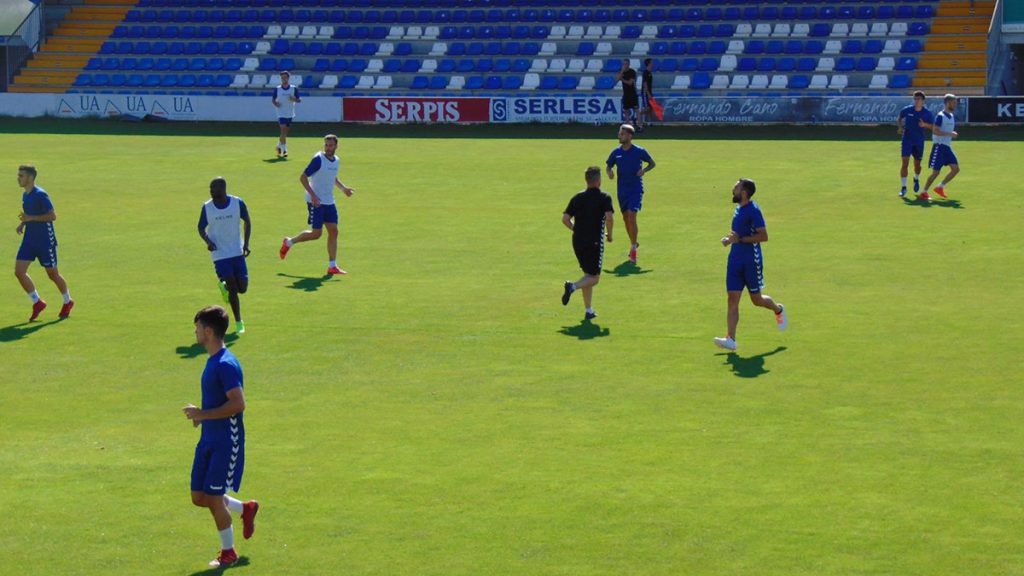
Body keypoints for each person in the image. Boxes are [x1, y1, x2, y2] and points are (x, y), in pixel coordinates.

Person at [183, 306, 260, 569]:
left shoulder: (226, 364)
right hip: (208, 439)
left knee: (214, 498)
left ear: (208, 331)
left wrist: (203, 414)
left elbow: (238, 404)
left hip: (227, 440)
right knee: (199, 496)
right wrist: (202, 416)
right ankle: (245, 508)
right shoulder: (212, 360)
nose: (195, 332)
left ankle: (229, 553)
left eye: (197, 327)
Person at [714, 178, 787, 351]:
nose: (733, 189)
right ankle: (731, 339)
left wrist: (740, 239)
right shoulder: (738, 209)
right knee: (732, 299)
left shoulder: (754, 211)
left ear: (744, 193)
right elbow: (737, 234)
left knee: (757, 300)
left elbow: (764, 236)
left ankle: (778, 309)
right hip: (734, 261)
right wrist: (729, 239)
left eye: (737, 187)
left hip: (751, 262)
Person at [279, 134, 355, 275]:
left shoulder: (336, 161)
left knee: (334, 231)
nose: (328, 148)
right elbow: (303, 177)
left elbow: (333, 178)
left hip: (329, 201)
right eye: (326, 145)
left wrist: (343, 189)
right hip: (316, 202)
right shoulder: (318, 159)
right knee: (316, 234)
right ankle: (289, 242)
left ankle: (332, 266)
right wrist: (313, 196)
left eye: (330, 145)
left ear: (336, 146)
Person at [14, 165, 73, 321]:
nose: (18, 178)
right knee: (19, 272)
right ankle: (37, 302)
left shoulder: (41, 195)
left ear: (31, 178)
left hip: (45, 242)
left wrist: (30, 218)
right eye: (18, 175)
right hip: (29, 241)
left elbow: (52, 216)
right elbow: (29, 215)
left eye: (21, 176)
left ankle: (68, 301)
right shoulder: (25, 195)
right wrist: (23, 223)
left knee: (52, 275)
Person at [198, 177, 251, 335]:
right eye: (210, 189)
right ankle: (239, 322)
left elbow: (247, 221)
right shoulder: (207, 207)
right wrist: (208, 241)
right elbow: (201, 228)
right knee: (234, 289)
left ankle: (225, 287)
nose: (211, 191)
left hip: (236, 251)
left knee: (242, 288)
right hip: (219, 254)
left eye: (214, 189)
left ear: (223, 189)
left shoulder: (237, 203)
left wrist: (246, 244)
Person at [561, 166, 614, 320]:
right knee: (594, 278)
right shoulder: (604, 197)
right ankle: (572, 287)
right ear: (598, 180)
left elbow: (565, 219)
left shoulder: (577, 197)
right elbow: (609, 218)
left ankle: (588, 310)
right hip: (594, 242)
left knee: (587, 275)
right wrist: (609, 235)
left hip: (577, 241)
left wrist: (575, 229)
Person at [605, 124, 655, 265]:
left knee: (632, 216)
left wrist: (644, 170)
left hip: (636, 189)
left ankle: (633, 249)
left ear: (629, 136)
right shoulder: (616, 152)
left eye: (622, 134)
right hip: (622, 190)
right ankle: (634, 242)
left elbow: (652, 163)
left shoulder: (639, 151)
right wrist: (609, 171)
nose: (619, 136)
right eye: (619, 133)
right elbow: (609, 165)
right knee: (626, 218)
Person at [920, 93, 960, 201]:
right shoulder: (940, 116)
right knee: (936, 172)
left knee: (956, 169)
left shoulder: (951, 116)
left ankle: (940, 187)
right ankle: (924, 192)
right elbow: (935, 131)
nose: (955, 104)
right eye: (954, 102)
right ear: (947, 103)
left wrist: (950, 133)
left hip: (946, 147)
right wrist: (950, 134)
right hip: (939, 147)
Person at [896, 91, 934, 198]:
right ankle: (903, 188)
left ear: (923, 101)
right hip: (907, 140)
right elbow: (899, 118)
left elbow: (933, 127)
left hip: (919, 141)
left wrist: (924, 124)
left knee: (917, 165)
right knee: (905, 163)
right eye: (915, 99)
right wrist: (899, 127)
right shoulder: (907, 110)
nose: (917, 101)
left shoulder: (927, 113)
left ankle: (916, 178)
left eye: (919, 99)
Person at [271, 71, 301, 158]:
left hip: (290, 113)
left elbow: (299, 100)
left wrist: (294, 99)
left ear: (288, 78)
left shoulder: (293, 88)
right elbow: (273, 99)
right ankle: (284, 150)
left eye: (285, 77)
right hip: (281, 113)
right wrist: (276, 104)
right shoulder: (277, 89)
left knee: (284, 132)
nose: (283, 79)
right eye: (282, 77)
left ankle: (278, 146)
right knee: (283, 130)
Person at [616, 58, 639, 126]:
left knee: (636, 109)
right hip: (626, 94)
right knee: (626, 110)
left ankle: (640, 125)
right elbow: (617, 79)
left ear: (629, 64)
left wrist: (622, 79)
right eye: (624, 64)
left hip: (632, 93)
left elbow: (630, 83)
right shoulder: (621, 72)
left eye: (626, 64)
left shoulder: (632, 72)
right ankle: (628, 125)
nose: (625, 65)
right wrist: (622, 72)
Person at [639, 58, 654, 131]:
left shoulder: (650, 72)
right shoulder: (645, 73)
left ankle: (649, 122)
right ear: (648, 64)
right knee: (647, 108)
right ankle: (638, 116)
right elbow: (645, 83)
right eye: (651, 62)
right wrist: (648, 93)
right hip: (645, 92)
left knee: (651, 108)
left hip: (649, 92)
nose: (652, 64)